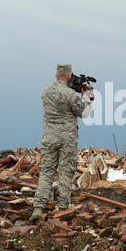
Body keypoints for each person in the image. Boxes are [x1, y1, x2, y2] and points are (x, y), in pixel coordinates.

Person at [29, 63, 91, 221]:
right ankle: (62, 207)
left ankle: (38, 207)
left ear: (56, 74)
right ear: (69, 76)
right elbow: (84, 113)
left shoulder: (46, 91)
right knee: (66, 171)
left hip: (49, 137)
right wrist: (86, 95)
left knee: (46, 171)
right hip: (67, 139)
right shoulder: (69, 94)